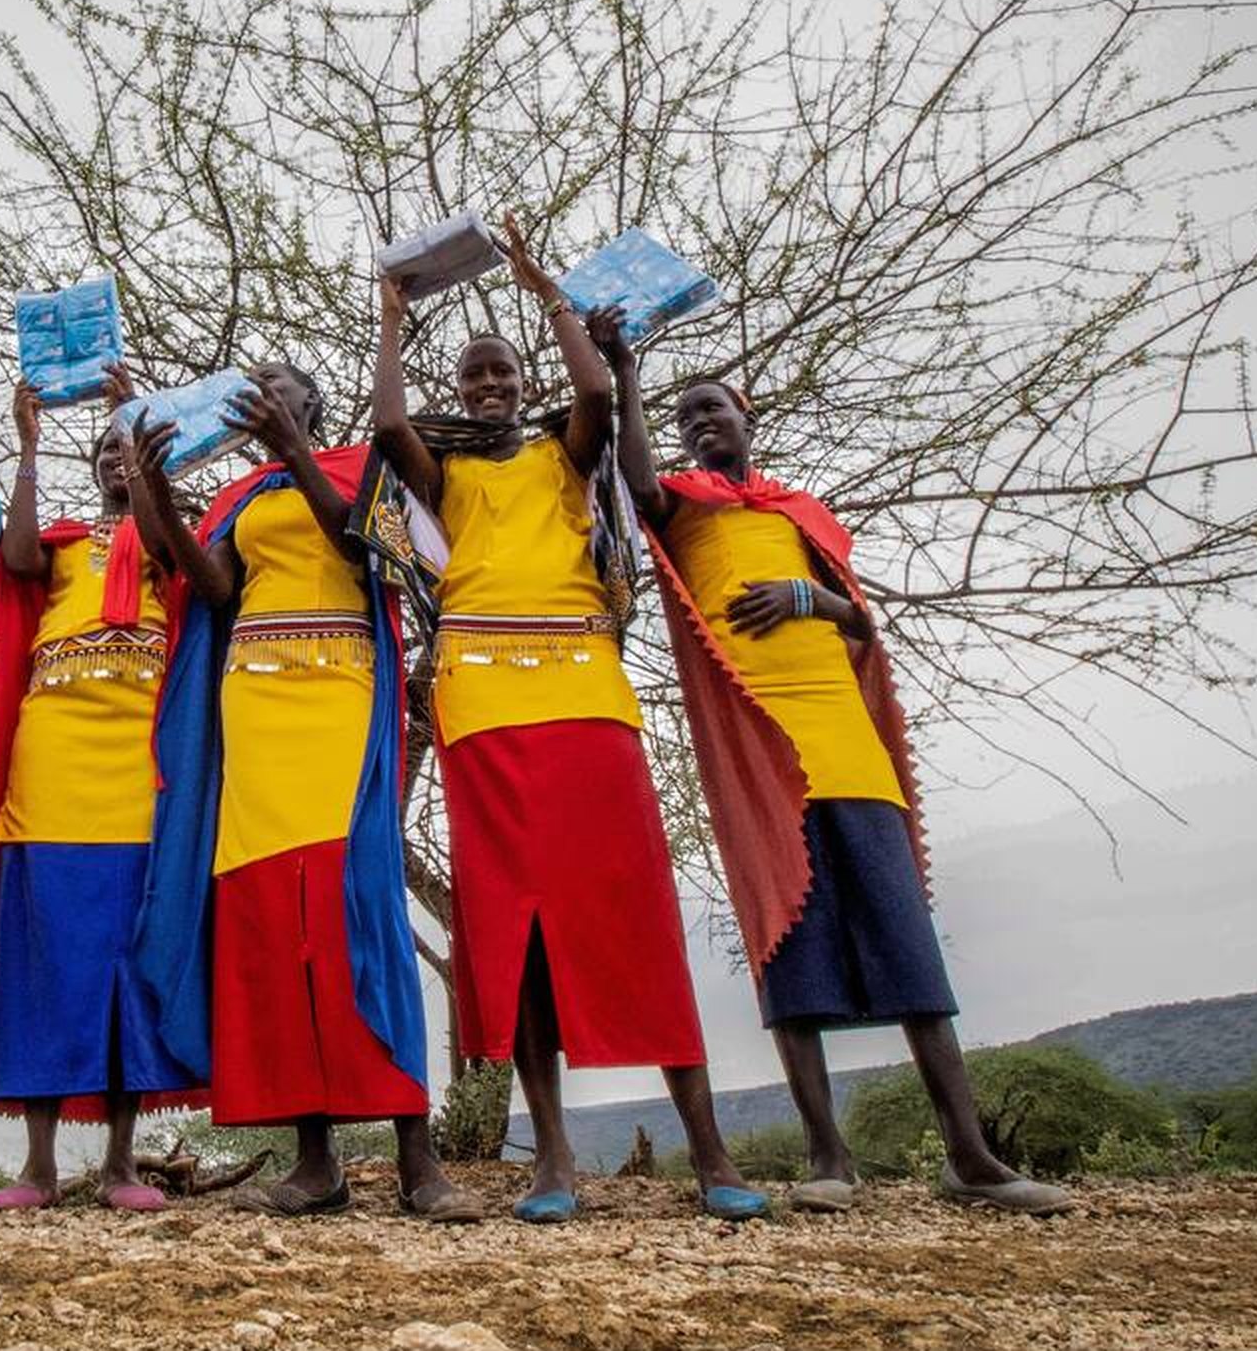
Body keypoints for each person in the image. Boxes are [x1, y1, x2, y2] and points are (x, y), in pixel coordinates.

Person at [595, 307, 1073, 1217]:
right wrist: (625, 371)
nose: (702, 425)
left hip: (849, 748)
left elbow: (861, 620)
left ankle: (970, 1158)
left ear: (747, 420)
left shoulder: (797, 512)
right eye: (686, 415)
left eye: (714, 412)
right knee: (790, 947)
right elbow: (637, 478)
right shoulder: (684, 507)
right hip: (761, 752)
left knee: (909, 953)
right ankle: (828, 1159)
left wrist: (810, 596)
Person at [372, 217, 764, 1226]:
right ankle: (551, 1158)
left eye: (501, 371)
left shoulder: (563, 449)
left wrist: (547, 294)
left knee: (631, 914)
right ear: (456, 392)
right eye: (474, 376)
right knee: (520, 934)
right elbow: (383, 429)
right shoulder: (445, 469)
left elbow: (593, 391)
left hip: (584, 697)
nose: (491, 386)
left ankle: (709, 1148)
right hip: (482, 709)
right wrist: (388, 315)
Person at [126, 364, 481, 1223]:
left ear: (313, 407)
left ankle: (418, 1162)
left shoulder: (366, 469)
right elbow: (212, 588)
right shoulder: (242, 497)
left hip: (339, 697)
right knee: (273, 930)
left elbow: (373, 550)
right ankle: (316, 1160)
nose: (265, 394)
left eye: (282, 387)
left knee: (360, 918)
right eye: (256, 387)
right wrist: (158, 490)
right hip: (252, 709)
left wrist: (297, 455)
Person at [0, 365, 198, 1211]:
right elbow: (15, 557)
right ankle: (37, 1165)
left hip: (140, 770)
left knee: (124, 967)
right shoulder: (61, 544)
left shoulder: (178, 537)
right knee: (46, 963)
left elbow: (176, 550)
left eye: (124, 452)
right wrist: (26, 450)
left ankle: (122, 1165)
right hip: (52, 762)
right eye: (101, 452)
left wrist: (129, 422)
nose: (111, 461)